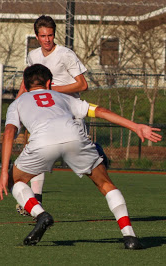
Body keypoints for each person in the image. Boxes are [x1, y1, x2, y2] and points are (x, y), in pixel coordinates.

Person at [0, 64, 162, 248]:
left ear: (25, 87)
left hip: (42, 142)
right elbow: (100, 111)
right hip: (74, 137)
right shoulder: (62, 97)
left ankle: (41, 215)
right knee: (105, 184)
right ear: (49, 82)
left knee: (14, 180)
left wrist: (4, 172)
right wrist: (135, 126)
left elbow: (10, 133)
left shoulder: (17, 103)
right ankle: (129, 237)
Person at [14, 15, 108, 216]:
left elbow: (82, 84)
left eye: (50, 35)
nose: (47, 40)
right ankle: (36, 201)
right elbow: (27, 84)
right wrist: (17, 105)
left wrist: (53, 90)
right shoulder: (32, 57)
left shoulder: (66, 54)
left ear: (54, 35)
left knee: (87, 167)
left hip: (69, 112)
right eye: (43, 36)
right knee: (36, 151)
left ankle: (97, 152)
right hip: (45, 115)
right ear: (36, 36)